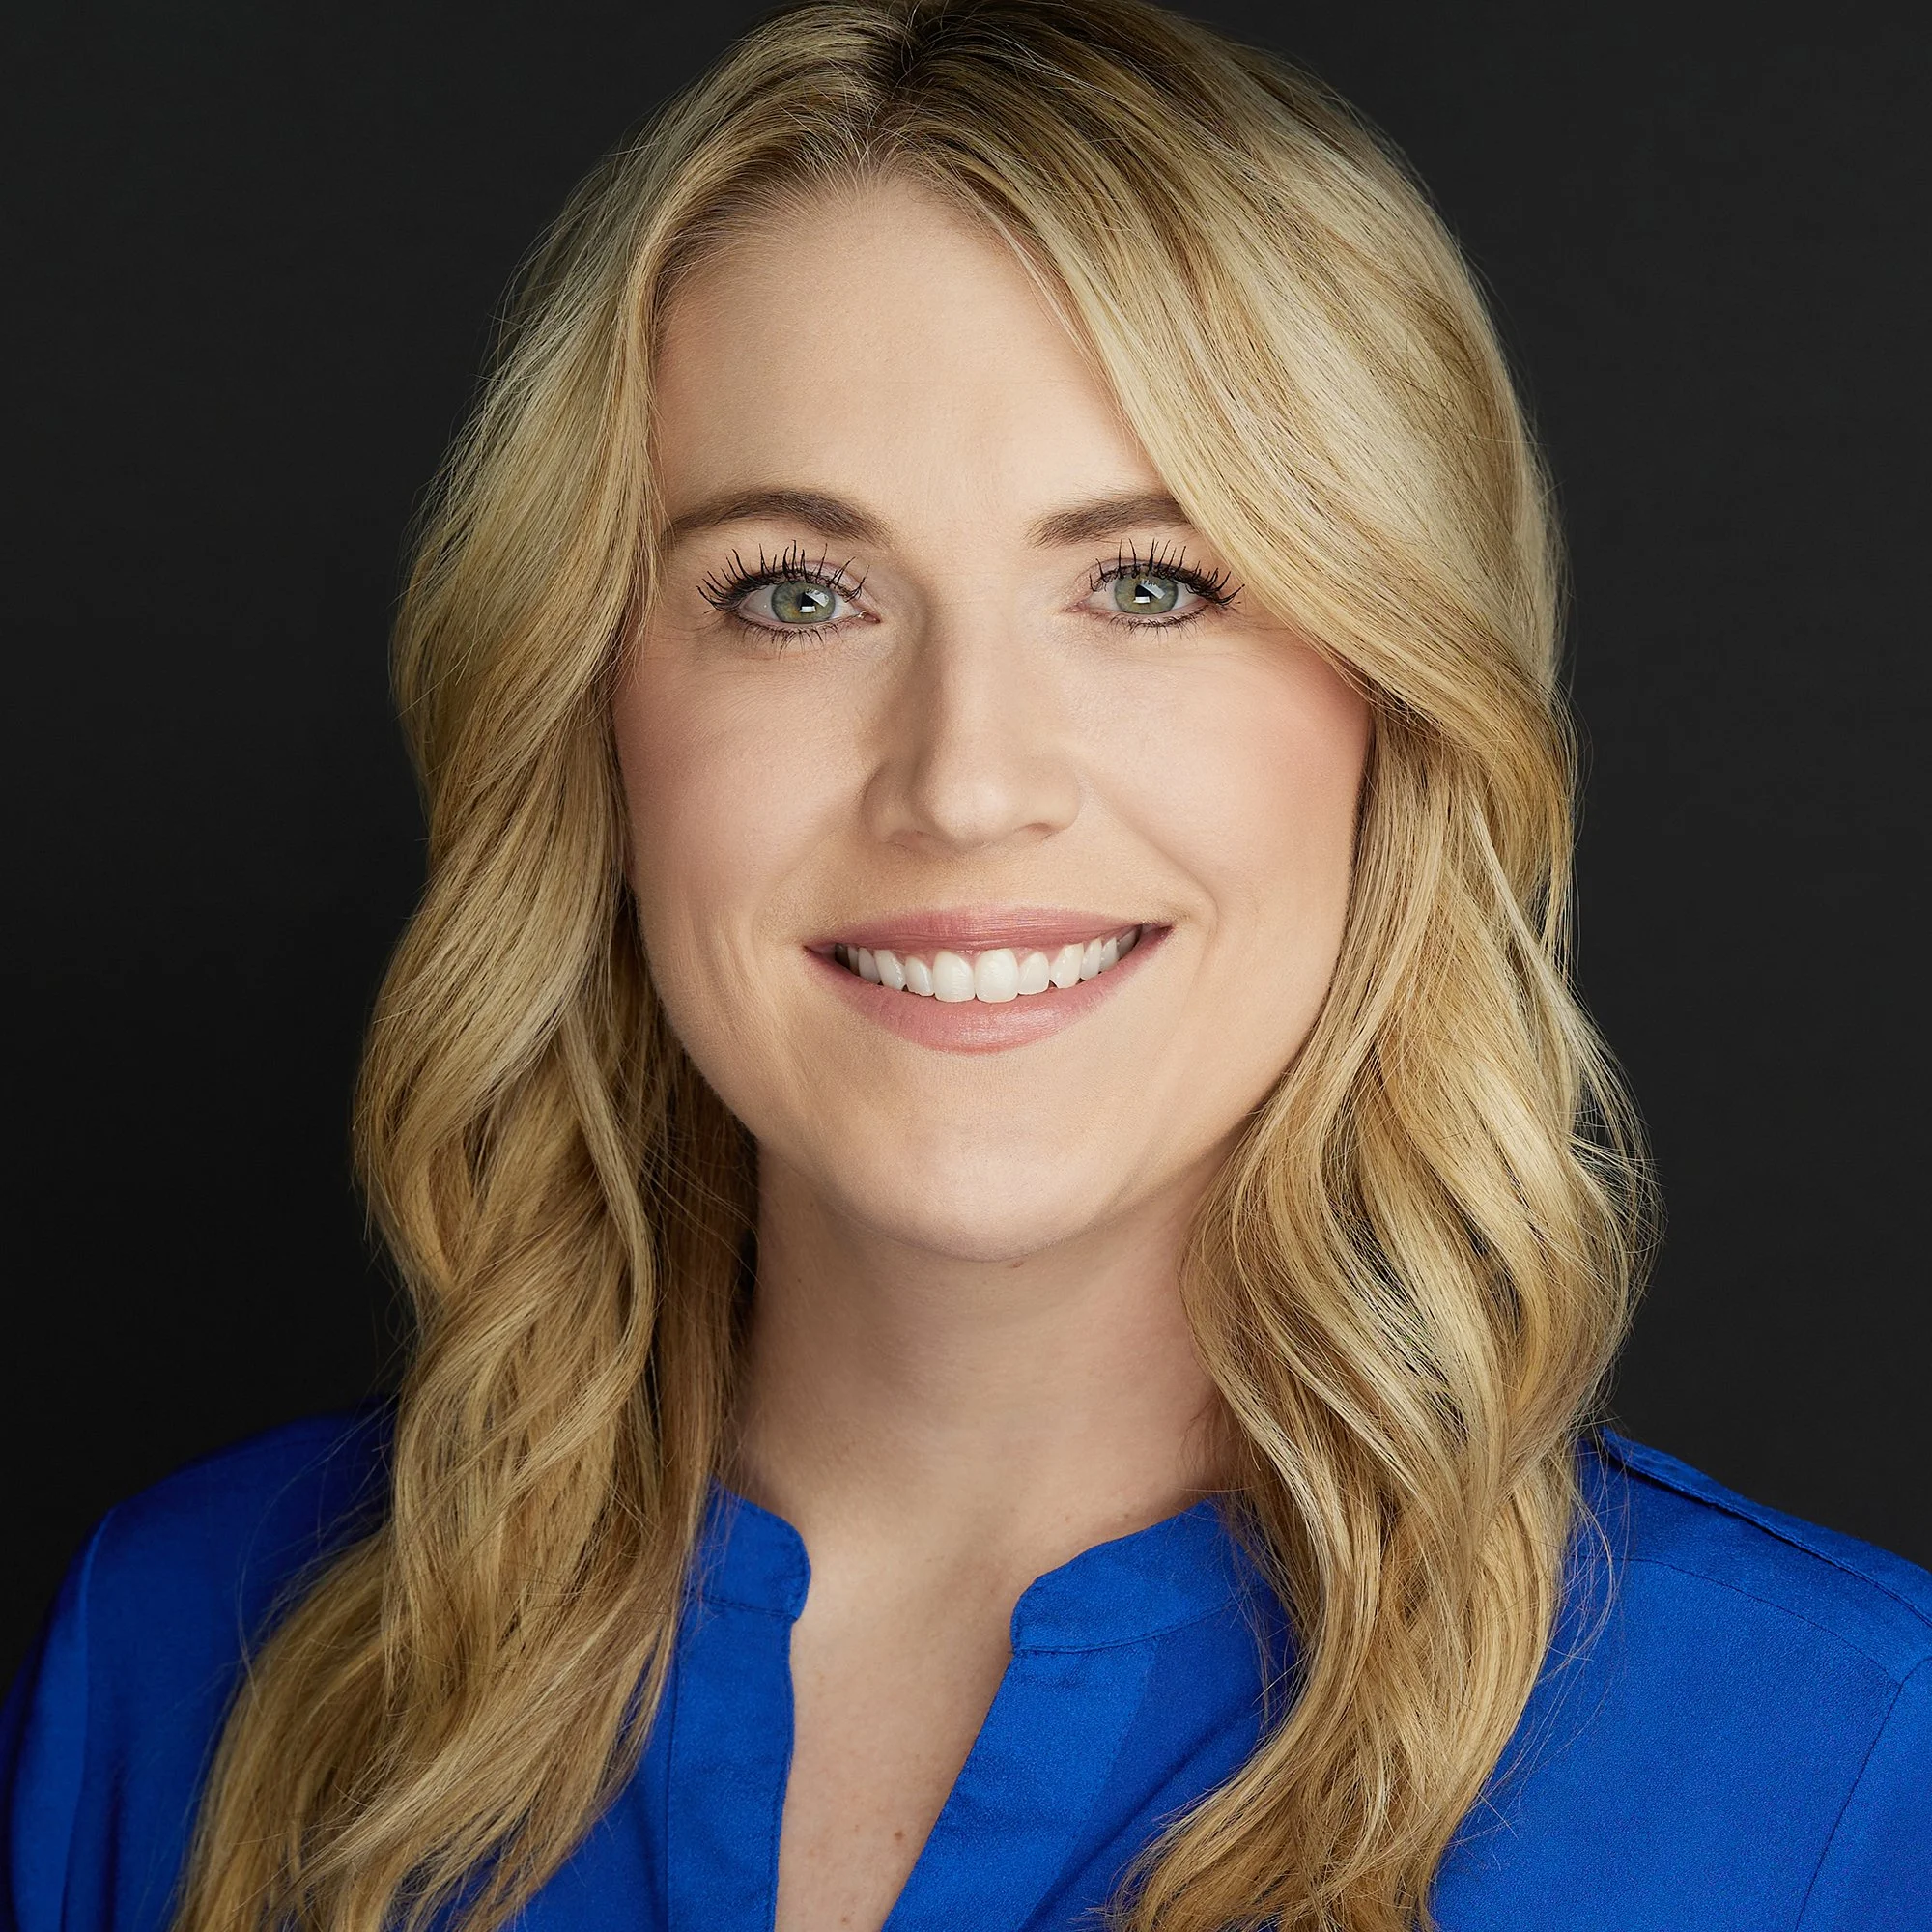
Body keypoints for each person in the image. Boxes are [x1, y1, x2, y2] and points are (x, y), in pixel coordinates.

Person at [6, 1, 1929, 1927]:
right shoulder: (187, 1664)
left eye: (1151, 582)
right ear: (594, 712)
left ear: (1392, 710)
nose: (966, 778)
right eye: (794, 590)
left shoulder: (1844, 1768)